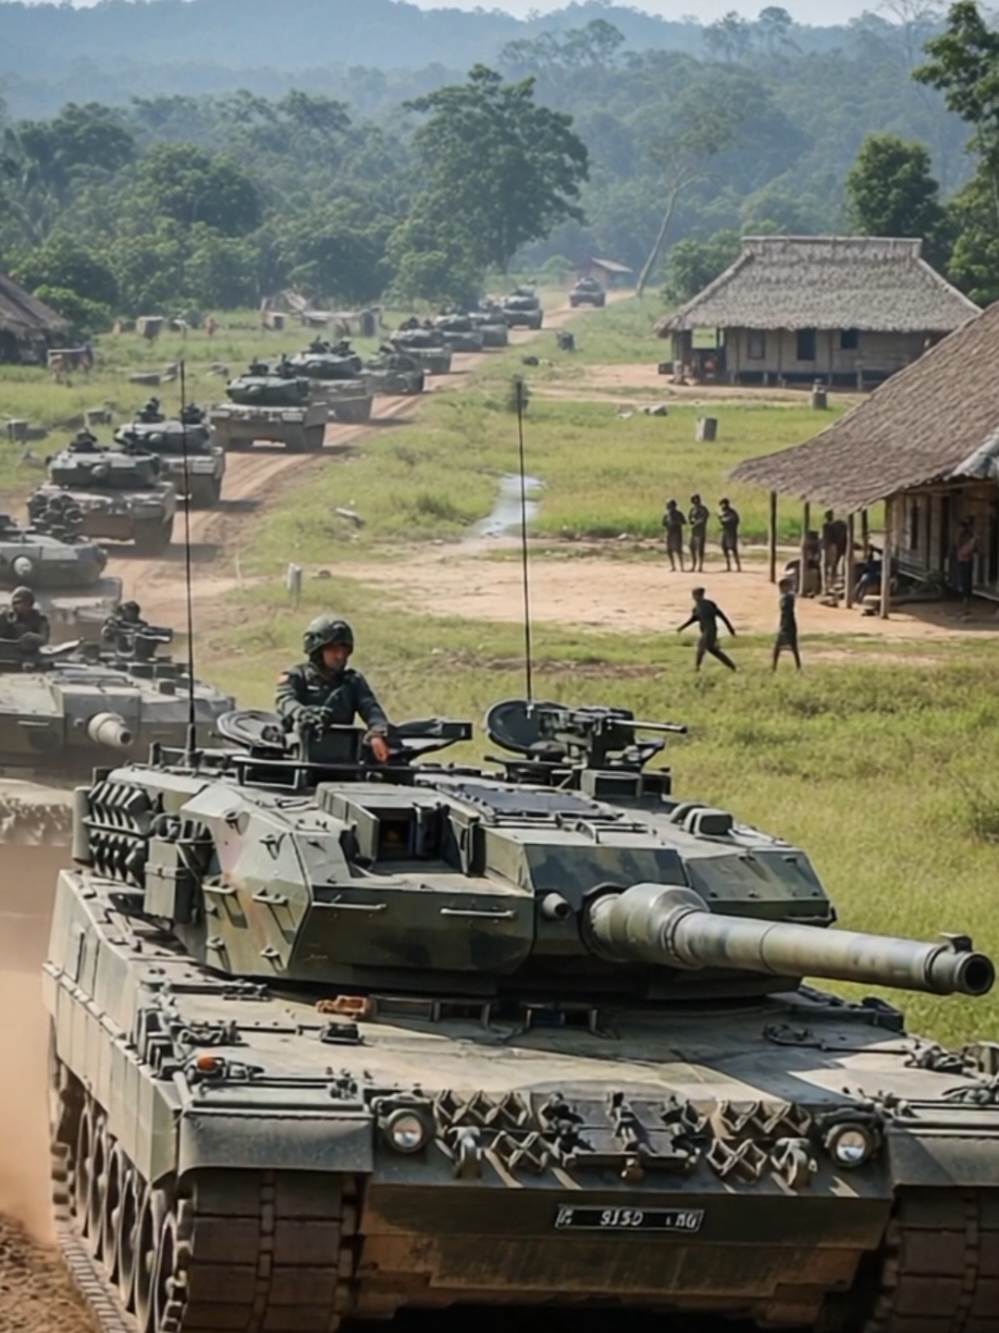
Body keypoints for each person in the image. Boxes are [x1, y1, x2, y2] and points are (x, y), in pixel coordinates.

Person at [276, 616, 391, 762]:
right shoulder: (296, 676)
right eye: (333, 649)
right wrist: (302, 713)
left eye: (344, 650)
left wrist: (377, 733)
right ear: (317, 650)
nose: (340, 656)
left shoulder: (352, 681)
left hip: (342, 755)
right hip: (298, 754)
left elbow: (370, 708)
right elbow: (285, 700)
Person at [677, 587, 737, 672]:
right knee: (713, 650)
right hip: (708, 631)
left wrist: (731, 630)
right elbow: (693, 619)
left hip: (710, 631)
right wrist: (682, 627)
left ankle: (697, 668)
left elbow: (722, 616)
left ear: (699, 595)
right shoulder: (697, 607)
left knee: (701, 647)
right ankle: (732, 666)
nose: (693, 597)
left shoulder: (708, 605)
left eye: (694, 595)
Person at [0, 586, 50, 651]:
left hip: (29, 653)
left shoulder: (39, 618)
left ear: (29, 603)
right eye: (14, 603)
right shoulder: (5, 616)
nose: (16, 606)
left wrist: (32, 637)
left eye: (20, 602)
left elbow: (44, 639)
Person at [772, 576, 801, 671]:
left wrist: (783, 625)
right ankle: (798, 666)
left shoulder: (787, 598)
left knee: (778, 647)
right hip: (790, 624)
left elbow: (786, 612)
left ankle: (774, 667)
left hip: (786, 624)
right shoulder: (788, 597)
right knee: (793, 647)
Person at [820, 510, 848, 589]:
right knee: (832, 565)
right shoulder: (834, 526)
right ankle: (829, 583)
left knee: (828, 566)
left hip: (830, 547)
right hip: (833, 546)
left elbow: (825, 539)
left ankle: (827, 584)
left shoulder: (827, 526)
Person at [955, 519, 977, 610]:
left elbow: (967, 550)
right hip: (963, 560)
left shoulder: (967, 537)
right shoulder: (962, 537)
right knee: (964, 581)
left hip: (965, 560)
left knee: (966, 582)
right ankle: (966, 599)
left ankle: (967, 600)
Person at [661, 499, 686, 572]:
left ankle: (682, 567)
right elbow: (663, 523)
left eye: (669, 505)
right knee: (669, 550)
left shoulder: (678, 514)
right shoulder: (666, 515)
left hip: (677, 534)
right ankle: (673, 566)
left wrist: (676, 523)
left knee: (678, 550)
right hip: (669, 534)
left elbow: (683, 522)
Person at [718, 498, 741, 572]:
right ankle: (728, 566)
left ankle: (738, 566)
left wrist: (722, 519)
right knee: (724, 549)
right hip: (724, 533)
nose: (722, 507)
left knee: (733, 549)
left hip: (731, 533)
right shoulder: (723, 513)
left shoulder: (732, 513)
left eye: (722, 504)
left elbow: (731, 521)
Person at [688, 494, 709, 572]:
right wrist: (692, 522)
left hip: (700, 531)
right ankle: (694, 565)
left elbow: (703, 520)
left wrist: (695, 523)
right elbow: (689, 518)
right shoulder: (692, 509)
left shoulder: (703, 509)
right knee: (692, 548)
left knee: (700, 549)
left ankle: (700, 566)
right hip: (693, 531)